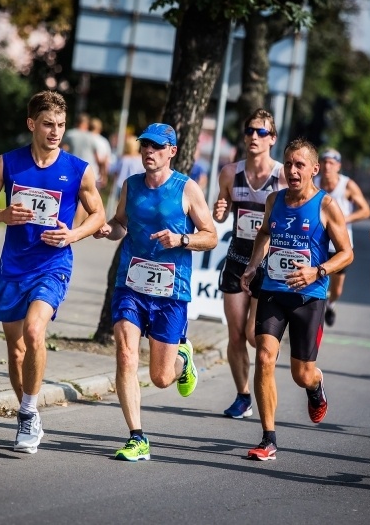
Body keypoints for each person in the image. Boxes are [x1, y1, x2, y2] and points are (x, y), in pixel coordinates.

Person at [0, 90, 106, 454]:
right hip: (13, 267)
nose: (55, 131)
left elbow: (99, 216)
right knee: (15, 351)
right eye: (48, 124)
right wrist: (1, 215)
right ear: (32, 124)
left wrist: (73, 234)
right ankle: (30, 412)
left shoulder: (78, 170)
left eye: (60, 124)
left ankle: (27, 413)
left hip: (52, 264)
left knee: (33, 330)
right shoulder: (7, 164)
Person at [94, 123, 218, 462]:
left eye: (157, 147)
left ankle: (183, 358)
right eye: (145, 146)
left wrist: (182, 239)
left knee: (161, 378)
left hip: (170, 292)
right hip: (130, 285)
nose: (149, 152)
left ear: (172, 152)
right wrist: (109, 229)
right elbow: (121, 223)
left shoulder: (187, 189)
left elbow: (211, 235)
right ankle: (137, 437)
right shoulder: (130, 185)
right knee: (125, 355)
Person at [241, 138, 353, 460]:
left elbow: (347, 253)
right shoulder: (274, 200)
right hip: (274, 291)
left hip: (309, 296)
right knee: (264, 357)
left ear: (314, 169)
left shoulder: (327, 206)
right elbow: (264, 232)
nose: (292, 170)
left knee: (300, 373)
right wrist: (252, 266)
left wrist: (318, 271)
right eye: (288, 163)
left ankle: (315, 385)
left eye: (299, 165)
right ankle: (268, 438)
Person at [213, 109, 286, 420]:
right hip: (238, 256)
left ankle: (264, 379)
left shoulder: (283, 175)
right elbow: (221, 212)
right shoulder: (230, 173)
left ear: (272, 139)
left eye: (262, 132)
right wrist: (220, 210)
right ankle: (243, 395)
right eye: (250, 131)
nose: (255, 136)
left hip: (268, 261)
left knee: (252, 334)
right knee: (234, 333)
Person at [314, 148, 370, 326]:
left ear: (338, 166)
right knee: (315, 279)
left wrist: (343, 219)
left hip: (340, 244)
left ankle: (331, 303)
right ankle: (314, 311)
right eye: (324, 162)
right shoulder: (313, 182)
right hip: (317, 241)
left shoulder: (347, 185)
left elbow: (365, 210)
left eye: (331, 162)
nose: (327, 166)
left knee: (337, 288)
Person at [62, 113, 107, 227]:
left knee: (72, 197)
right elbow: (97, 156)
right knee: (84, 199)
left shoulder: (70, 134)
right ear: (85, 124)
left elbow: (63, 150)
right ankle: (79, 224)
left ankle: (72, 223)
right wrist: (102, 171)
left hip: (71, 170)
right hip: (88, 170)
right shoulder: (91, 137)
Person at [106, 134, 145, 217]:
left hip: (120, 185)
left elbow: (114, 171)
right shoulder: (140, 159)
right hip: (135, 186)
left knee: (118, 207)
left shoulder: (122, 158)